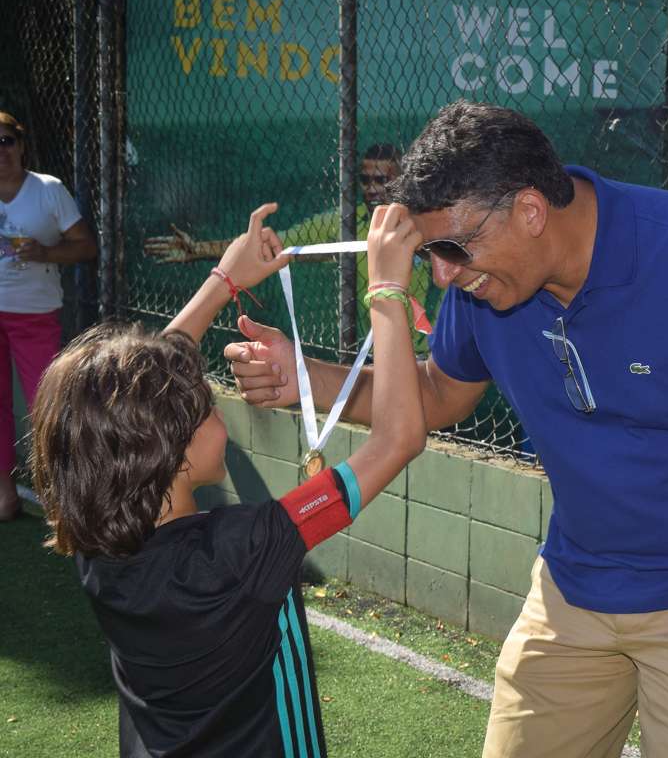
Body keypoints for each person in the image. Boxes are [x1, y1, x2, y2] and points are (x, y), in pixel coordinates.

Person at [224, 101, 668, 756]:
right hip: (573, 588)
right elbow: (435, 393)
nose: (443, 275)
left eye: (454, 249)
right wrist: (309, 380)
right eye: (430, 253)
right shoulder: (481, 285)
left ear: (532, 211)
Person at [31, 201, 426, 757]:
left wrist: (225, 280)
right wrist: (387, 291)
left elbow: (124, 406)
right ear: (176, 455)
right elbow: (400, 438)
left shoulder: (96, 542)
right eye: (208, 408)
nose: (221, 410)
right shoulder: (246, 550)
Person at [143, 143, 440, 353]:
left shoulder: (420, 223)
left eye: (381, 180)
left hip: (424, 352)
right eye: (364, 180)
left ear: (399, 181)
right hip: (369, 354)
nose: (371, 188)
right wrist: (199, 249)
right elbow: (274, 245)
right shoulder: (345, 222)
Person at [0, 111, 97, 521]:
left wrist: (45, 253)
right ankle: (5, 498)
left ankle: (61, 499)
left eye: (6, 141)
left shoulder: (47, 190)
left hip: (34, 313)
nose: (0, 151)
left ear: (21, 145)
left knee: (48, 406)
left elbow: (86, 247)